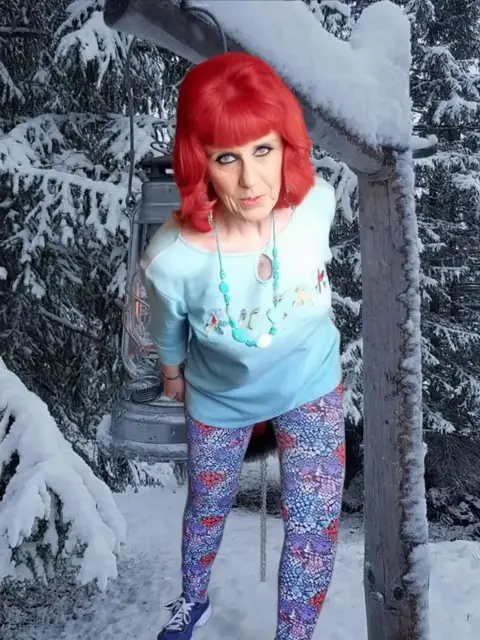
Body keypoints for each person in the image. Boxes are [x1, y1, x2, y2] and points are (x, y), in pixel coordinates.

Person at [141, 51, 345, 640]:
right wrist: (173, 377)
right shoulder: (172, 258)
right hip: (219, 398)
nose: (251, 181)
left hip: (310, 385)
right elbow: (167, 331)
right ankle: (192, 599)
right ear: (198, 161)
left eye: (263, 150)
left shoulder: (317, 205)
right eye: (226, 157)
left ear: (286, 146)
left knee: (313, 528)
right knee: (208, 505)